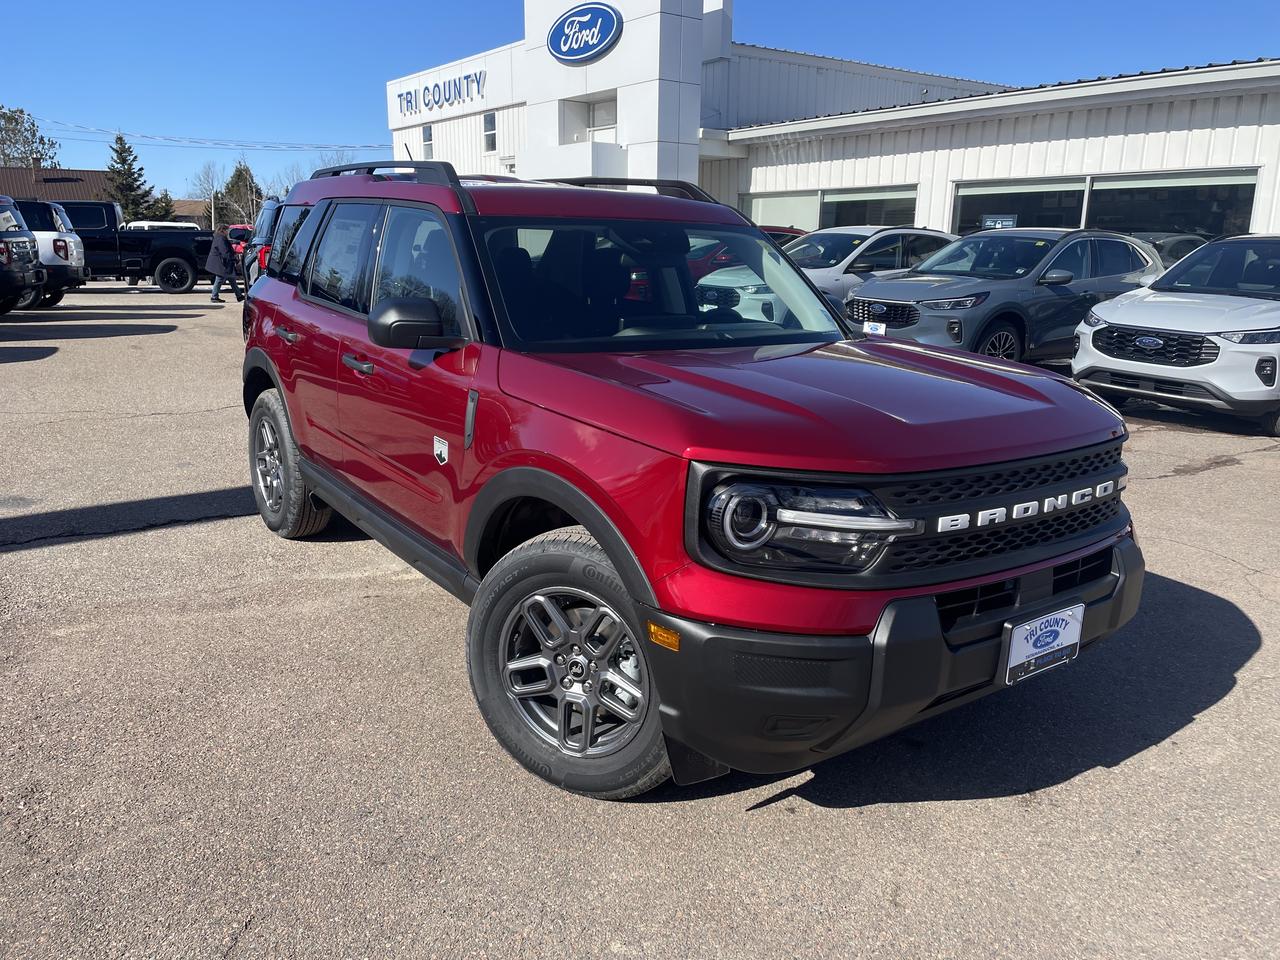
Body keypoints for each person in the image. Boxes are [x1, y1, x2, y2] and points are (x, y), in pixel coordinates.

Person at [206, 225, 243, 303]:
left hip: (223, 262)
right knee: (219, 279)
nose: (228, 232)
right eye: (227, 230)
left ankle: (239, 296)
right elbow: (224, 252)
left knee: (232, 279)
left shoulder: (219, 237)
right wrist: (233, 259)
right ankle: (214, 296)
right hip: (221, 263)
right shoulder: (221, 238)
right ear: (223, 230)